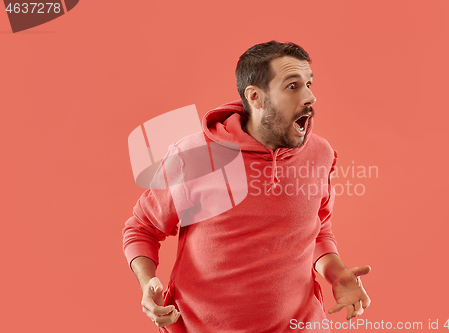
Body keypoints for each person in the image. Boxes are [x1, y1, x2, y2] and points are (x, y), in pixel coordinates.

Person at [122, 41, 371, 333]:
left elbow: (318, 230)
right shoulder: (194, 156)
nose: (310, 97)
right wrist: (147, 282)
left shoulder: (320, 153)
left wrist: (336, 273)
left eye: (308, 84)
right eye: (293, 86)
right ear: (255, 97)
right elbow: (142, 229)